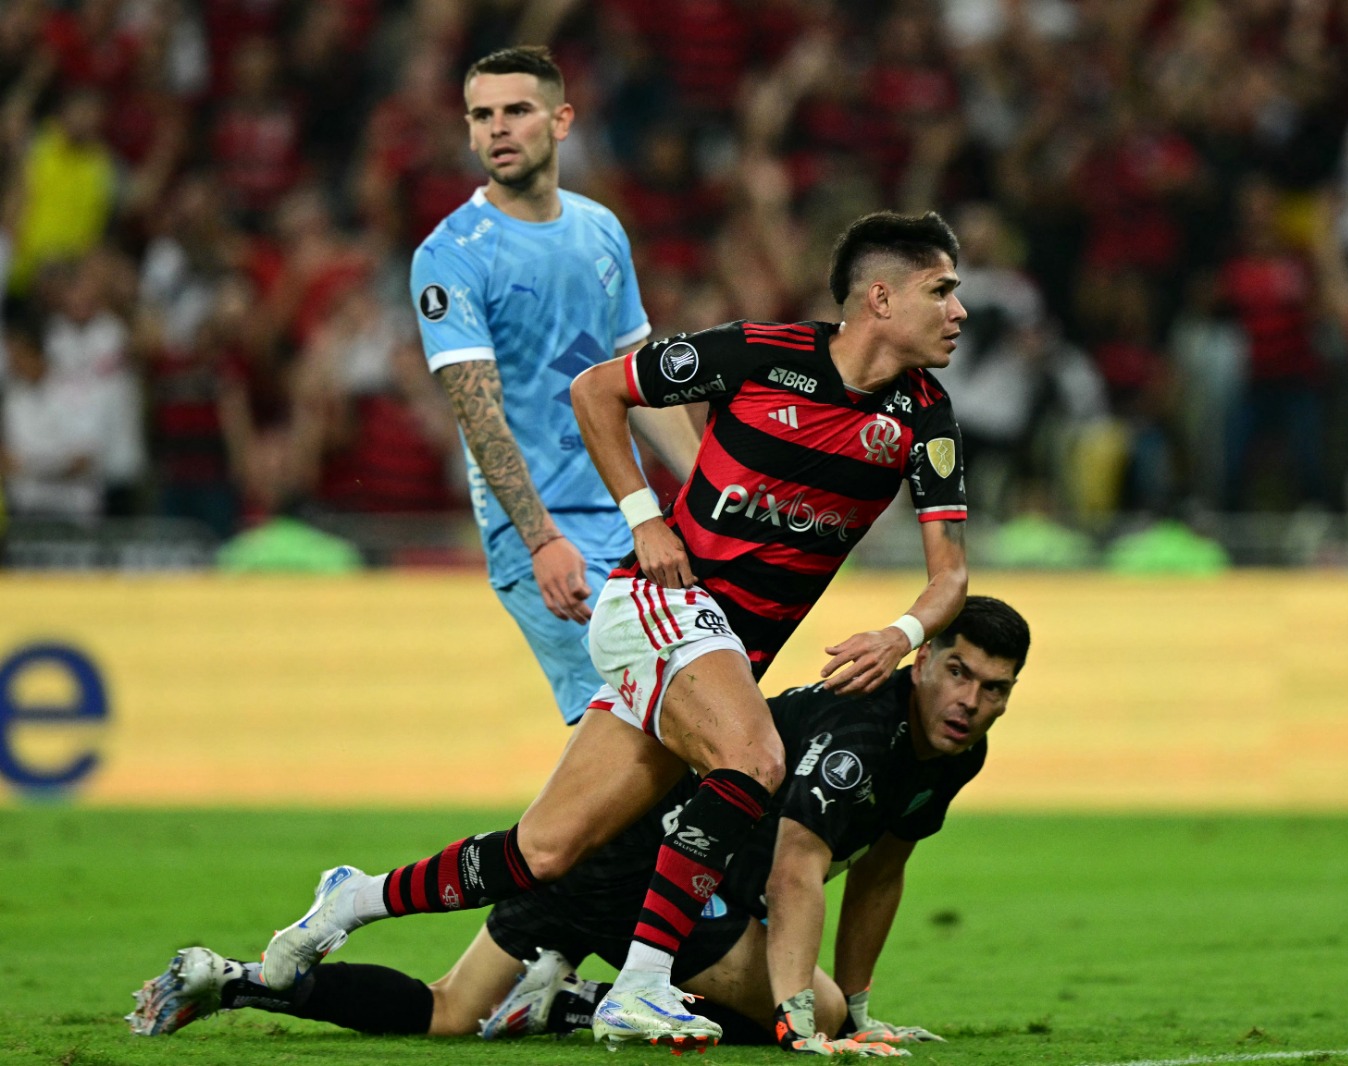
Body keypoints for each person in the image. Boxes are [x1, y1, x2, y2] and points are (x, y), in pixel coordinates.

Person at [259, 209, 971, 1051]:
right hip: (659, 606)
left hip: (716, 657)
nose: (960, 311)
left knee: (546, 853)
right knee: (756, 758)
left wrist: (900, 632)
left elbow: (950, 576)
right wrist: (643, 518)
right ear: (881, 298)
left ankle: (353, 898)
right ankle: (638, 987)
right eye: (942, 290)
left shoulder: (924, 413)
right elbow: (598, 388)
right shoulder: (758, 352)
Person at [130, 598, 1029, 1057]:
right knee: (808, 1001)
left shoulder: (956, 753)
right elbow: (799, 873)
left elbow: (881, 872)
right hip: (661, 872)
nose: (970, 701)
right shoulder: (862, 732)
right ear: (922, 663)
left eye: (994, 690)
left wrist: (866, 1012)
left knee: (449, 1014)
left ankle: (234, 981)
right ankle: (579, 1002)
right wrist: (813, 1020)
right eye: (958, 674)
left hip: (657, 876)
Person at [409, 44, 698, 725]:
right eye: (481, 116)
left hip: (631, 520)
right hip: (542, 534)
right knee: (650, 726)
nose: (496, 129)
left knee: (662, 732)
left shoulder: (600, 230)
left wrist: (705, 491)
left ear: (562, 121)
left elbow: (636, 378)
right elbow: (480, 417)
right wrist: (540, 541)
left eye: (517, 111)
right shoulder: (451, 254)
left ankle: (549, 840)